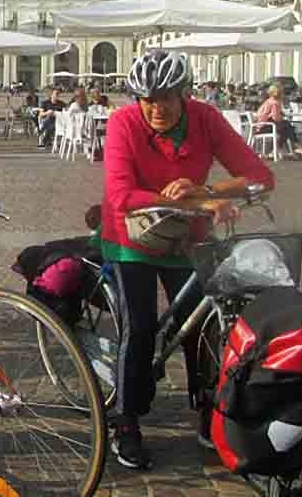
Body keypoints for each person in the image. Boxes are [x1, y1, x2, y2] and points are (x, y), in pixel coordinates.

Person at [101, 50, 275, 470]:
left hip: (187, 239)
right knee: (139, 327)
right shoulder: (124, 123)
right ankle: (125, 421)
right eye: (147, 99)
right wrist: (181, 197)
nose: (156, 108)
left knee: (202, 329)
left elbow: (259, 177)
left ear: (184, 94)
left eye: (166, 97)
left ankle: (207, 415)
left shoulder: (205, 119)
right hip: (132, 238)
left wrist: (210, 193)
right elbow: (121, 193)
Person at [254, 83, 302, 156]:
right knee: (287, 126)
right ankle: (294, 145)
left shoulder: (268, 101)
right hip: (265, 126)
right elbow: (276, 118)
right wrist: (282, 117)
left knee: (286, 128)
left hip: (259, 126)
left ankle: (278, 149)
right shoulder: (275, 103)